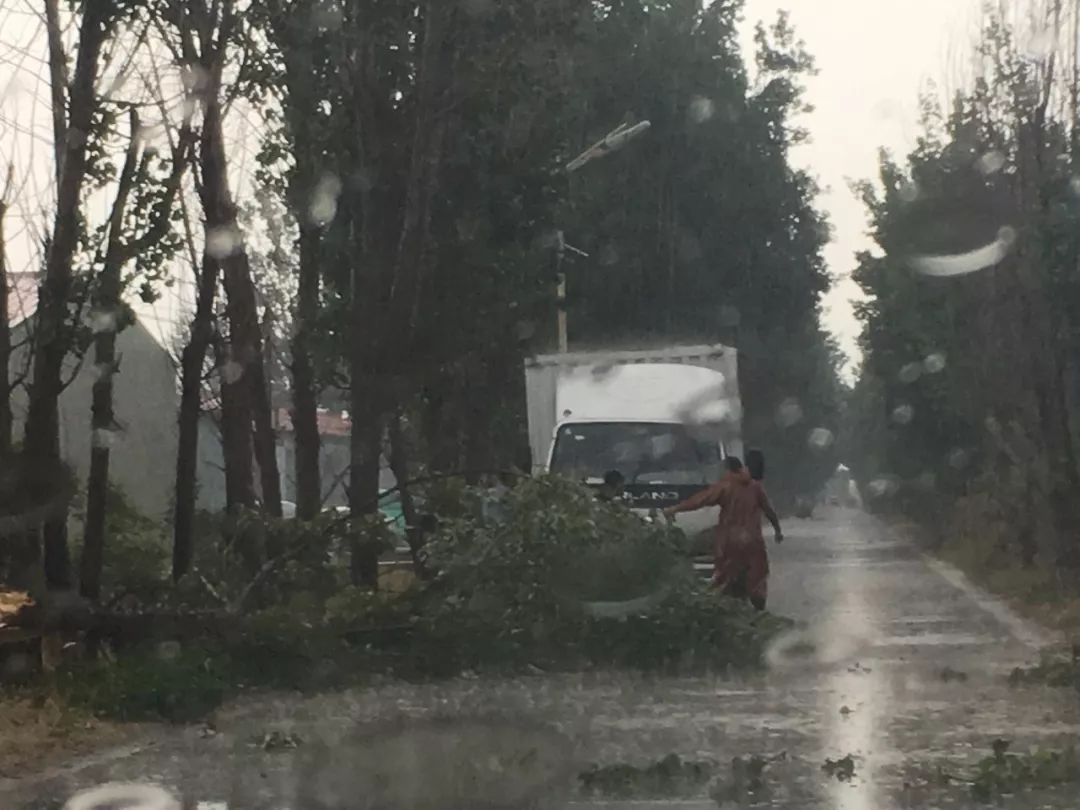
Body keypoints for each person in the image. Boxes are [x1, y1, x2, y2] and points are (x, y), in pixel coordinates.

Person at [664, 456, 782, 611]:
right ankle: (758, 612)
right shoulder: (755, 487)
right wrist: (777, 530)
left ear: (727, 469)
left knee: (726, 579)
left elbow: (699, 500)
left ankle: (726, 610)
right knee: (756, 578)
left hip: (729, 542)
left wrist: (675, 509)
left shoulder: (725, 486)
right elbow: (769, 510)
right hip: (753, 541)